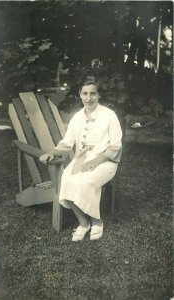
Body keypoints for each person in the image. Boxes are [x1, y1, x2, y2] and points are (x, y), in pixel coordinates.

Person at [39, 76, 122, 242]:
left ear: (99, 96)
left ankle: (96, 221)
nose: (89, 98)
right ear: (80, 95)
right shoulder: (77, 117)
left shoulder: (109, 115)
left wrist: (96, 161)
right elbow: (67, 142)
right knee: (67, 179)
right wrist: (53, 152)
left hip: (106, 161)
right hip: (81, 160)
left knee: (86, 181)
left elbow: (115, 146)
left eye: (93, 94)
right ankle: (83, 223)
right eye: (85, 94)